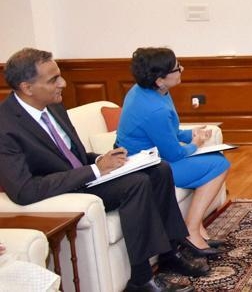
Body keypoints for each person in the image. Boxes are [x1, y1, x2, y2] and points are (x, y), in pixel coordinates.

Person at [0, 48, 207, 292]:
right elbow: (24, 190)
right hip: (64, 193)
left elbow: (71, 155)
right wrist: (95, 170)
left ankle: (170, 252)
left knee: (158, 169)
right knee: (136, 184)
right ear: (27, 87)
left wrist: (106, 159)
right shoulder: (6, 126)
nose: (63, 83)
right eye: (54, 79)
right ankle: (141, 281)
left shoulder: (52, 107)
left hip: (84, 176)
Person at [116, 47, 230, 257]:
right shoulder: (154, 109)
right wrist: (194, 144)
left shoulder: (150, 91)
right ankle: (191, 230)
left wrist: (190, 134)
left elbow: (170, 132)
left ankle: (197, 228)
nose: (182, 69)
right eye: (177, 68)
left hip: (155, 156)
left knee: (215, 159)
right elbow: (174, 154)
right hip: (148, 167)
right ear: (160, 79)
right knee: (220, 164)